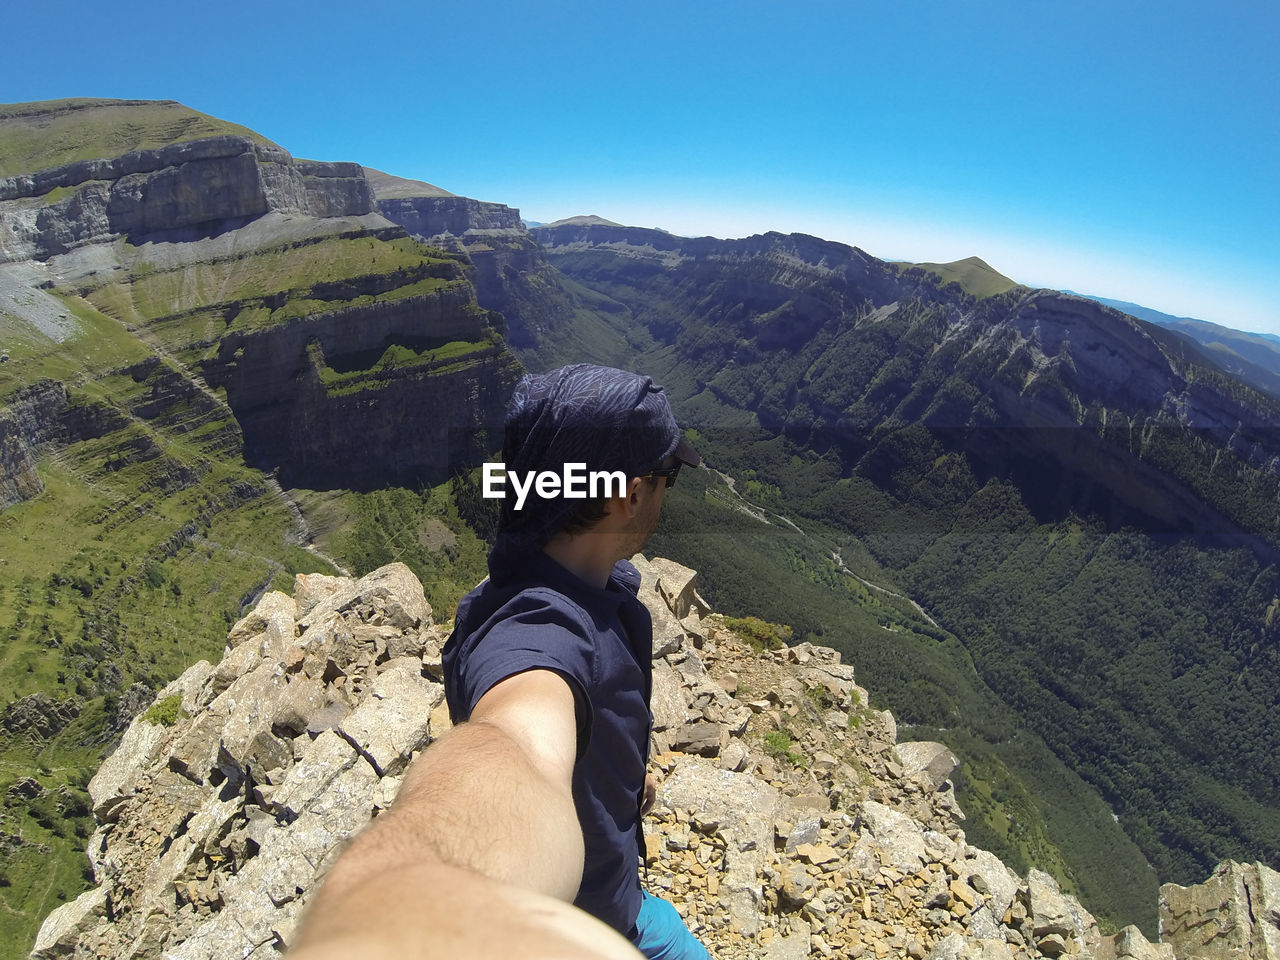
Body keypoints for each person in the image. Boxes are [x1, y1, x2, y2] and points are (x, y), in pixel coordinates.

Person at [289, 365, 707, 960]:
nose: (667, 496)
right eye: (667, 479)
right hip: (602, 926)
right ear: (631, 493)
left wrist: (614, 778)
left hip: (617, 896)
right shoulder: (538, 634)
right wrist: (410, 907)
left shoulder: (556, 584)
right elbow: (519, 745)